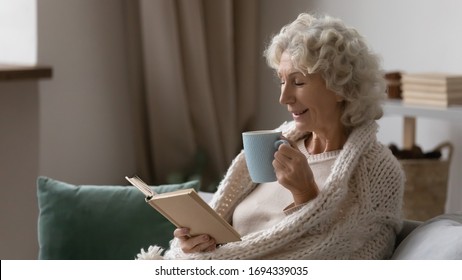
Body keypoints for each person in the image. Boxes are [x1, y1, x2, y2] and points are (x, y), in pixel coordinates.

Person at [138, 13, 405, 260]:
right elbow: (231, 238)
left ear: (342, 88)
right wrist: (196, 248)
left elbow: (343, 257)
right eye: (281, 81)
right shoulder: (280, 144)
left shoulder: (376, 172)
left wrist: (305, 195)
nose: (283, 98)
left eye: (298, 82)